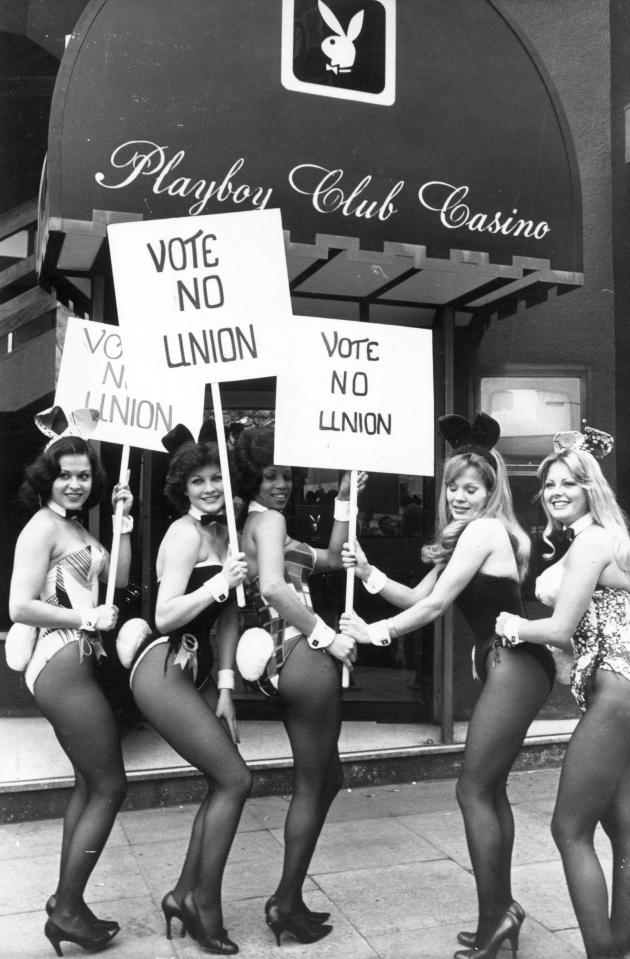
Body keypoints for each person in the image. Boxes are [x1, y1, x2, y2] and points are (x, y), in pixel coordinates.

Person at [340, 413, 555, 959]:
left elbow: (434, 607)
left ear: (490, 491)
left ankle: (495, 922)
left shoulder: (485, 530)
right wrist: (366, 571)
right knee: (490, 790)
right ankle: (501, 911)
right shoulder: (467, 536)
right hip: (510, 664)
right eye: (453, 487)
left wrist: (374, 634)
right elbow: (418, 595)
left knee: (472, 789)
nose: (459, 497)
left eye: (471, 488)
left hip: (514, 664)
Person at [495, 427, 630, 959]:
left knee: (569, 828)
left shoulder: (595, 541)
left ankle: (601, 952)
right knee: (621, 827)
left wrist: (511, 623)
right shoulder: (602, 539)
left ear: (590, 488)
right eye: (549, 482)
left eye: (569, 482)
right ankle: (618, 945)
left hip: (615, 696)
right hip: (618, 694)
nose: (555, 491)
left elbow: (557, 628)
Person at [117, 424, 251, 956]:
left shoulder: (226, 535)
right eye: (198, 480)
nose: (210, 487)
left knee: (224, 782)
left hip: (193, 673)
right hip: (163, 666)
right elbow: (164, 613)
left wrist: (224, 686)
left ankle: (181, 894)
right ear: (183, 488)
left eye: (217, 476)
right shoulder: (184, 534)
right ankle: (203, 907)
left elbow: (227, 622)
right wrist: (221, 581)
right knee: (236, 780)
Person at [8, 406, 133, 956]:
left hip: (79, 664)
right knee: (111, 785)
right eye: (66, 474)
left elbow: (117, 582)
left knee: (89, 784)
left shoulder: (77, 526)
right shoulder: (41, 527)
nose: (76, 482)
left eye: (84, 474)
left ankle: (69, 905)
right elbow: (19, 604)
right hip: (59, 665)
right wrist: (84, 620)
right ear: (47, 476)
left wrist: (123, 525)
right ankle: (65, 906)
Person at [233, 426, 363, 947]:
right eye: (270, 476)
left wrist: (345, 501)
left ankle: (291, 896)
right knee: (314, 782)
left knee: (326, 778)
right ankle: (284, 902)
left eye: (286, 475)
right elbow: (270, 587)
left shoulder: (262, 525)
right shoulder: (269, 521)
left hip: (281, 659)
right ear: (253, 479)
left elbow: (330, 560)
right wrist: (327, 637)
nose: (281, 484)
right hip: (300, 651)